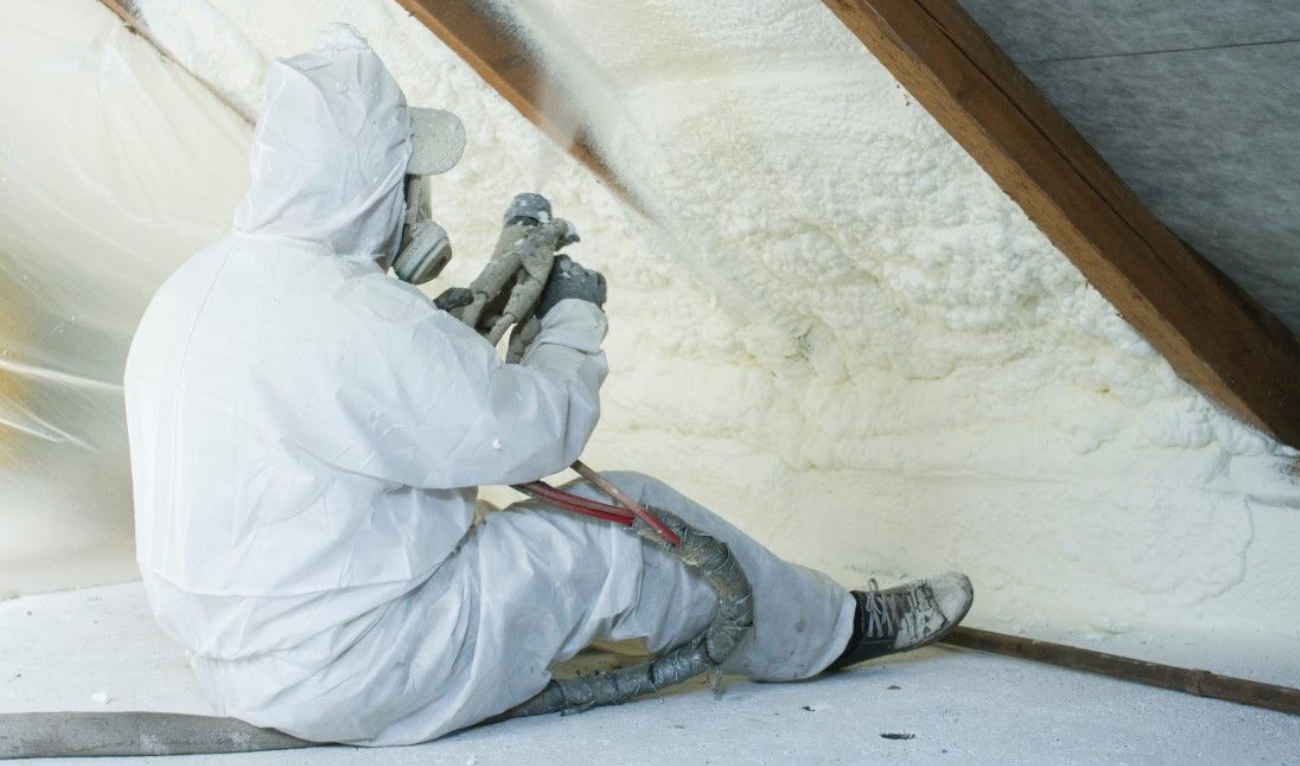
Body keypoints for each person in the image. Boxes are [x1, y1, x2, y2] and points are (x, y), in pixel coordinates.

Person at [124, 25, 973, 746]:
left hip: (233, 661)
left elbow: (349, 412)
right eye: (407, 176)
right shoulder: (359, 319)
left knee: (498, 532)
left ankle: (818, 625)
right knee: (632, 524)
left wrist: (446, 335)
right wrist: (572, 322)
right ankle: (834, 633)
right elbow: (534, 436)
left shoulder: (196, 289)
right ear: (374, 183)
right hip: (361, 668)